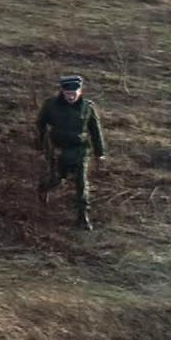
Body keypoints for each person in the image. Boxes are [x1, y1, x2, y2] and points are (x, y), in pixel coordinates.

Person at [36, 74, 108, 229]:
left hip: (80, 150)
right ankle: (43, 189)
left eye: (74, 93)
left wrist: (100, 153)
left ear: (80, 92)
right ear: (62, 91)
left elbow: (95, 131)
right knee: (57, 178)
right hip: (58, 149)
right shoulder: (51, 105)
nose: (71, 96)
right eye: (68, 93)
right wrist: (41, 147)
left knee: (81, 184)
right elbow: (40, 125)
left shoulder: (87, 107)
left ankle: (83, 217)